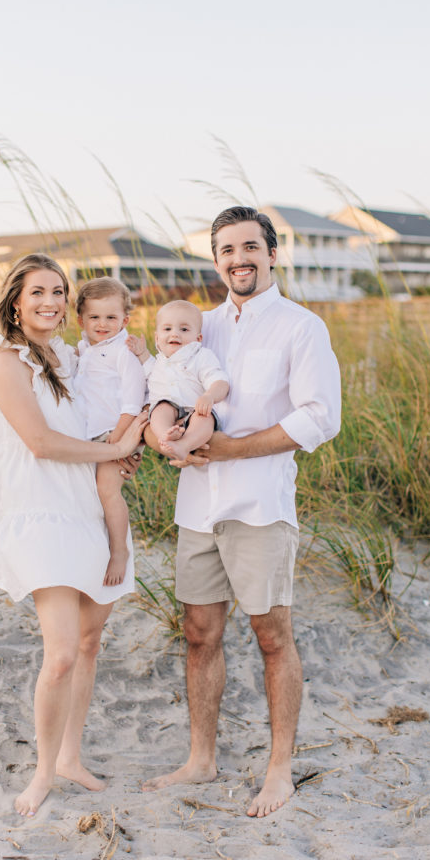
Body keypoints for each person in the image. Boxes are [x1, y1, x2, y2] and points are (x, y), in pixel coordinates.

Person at [142, 207, 341, 818]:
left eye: (250, 247)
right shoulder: (195, 326)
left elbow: (320, 416)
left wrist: (233, 448)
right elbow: (160, 392)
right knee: (200, 635)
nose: (239, 259)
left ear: (272, 254)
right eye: (227, 250)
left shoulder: (301, 327)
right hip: (198, 508)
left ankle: (279, 769)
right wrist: (159, 439)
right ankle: (202, 759)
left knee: (271, 636)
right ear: (217, 260)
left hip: (260, 506)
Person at [0, 254, 146, 818]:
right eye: (37, 292)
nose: (49, 301)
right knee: (63, 653)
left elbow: (115, 382)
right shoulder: (5, 362)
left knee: (91, 640)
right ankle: (43, 772)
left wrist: (140, 358)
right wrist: (114, 451)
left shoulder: (71, 355)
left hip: (85, 507)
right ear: (15, 301)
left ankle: (71, 756)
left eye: (57, 292)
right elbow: (41, 443)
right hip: (39, 512)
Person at [73, 277, 147, 586]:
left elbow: (132, 402)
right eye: (94, 317)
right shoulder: (84, 349)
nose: (102, 324)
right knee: (89, 494)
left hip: (117, 432)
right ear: (81, 319)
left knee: (107, 490)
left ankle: (119, 552)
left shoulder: (122, 352)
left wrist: (118, 442)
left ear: (125, 320)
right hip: (93, 436)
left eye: (111, 317)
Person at [127, 300, 229, 462]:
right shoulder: (158, 362)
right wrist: (141, 353)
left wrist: (210, 395)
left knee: (205, 418)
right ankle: (165, 436)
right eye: (167, 329)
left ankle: (184, 445)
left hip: (194, 410)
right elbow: (148, 368)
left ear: (198, 338)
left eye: (184, 329)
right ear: (157, 338)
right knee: (160, 410)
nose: (175, 334)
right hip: (169, 411)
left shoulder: (201, 356)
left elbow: (220, 381)